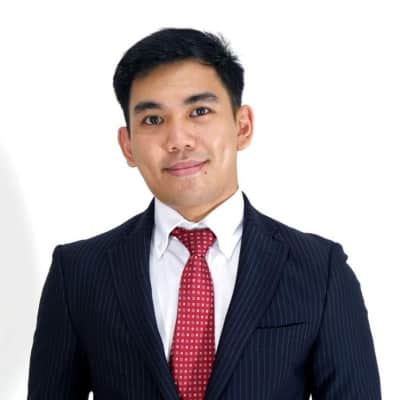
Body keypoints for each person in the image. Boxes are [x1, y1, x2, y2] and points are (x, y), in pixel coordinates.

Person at [27, 27, 381, 399]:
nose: (178, 140)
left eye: (199, 111)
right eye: (153, 120)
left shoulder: (320, 271)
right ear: (127, 145)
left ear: (242, 126)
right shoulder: (78, 273)